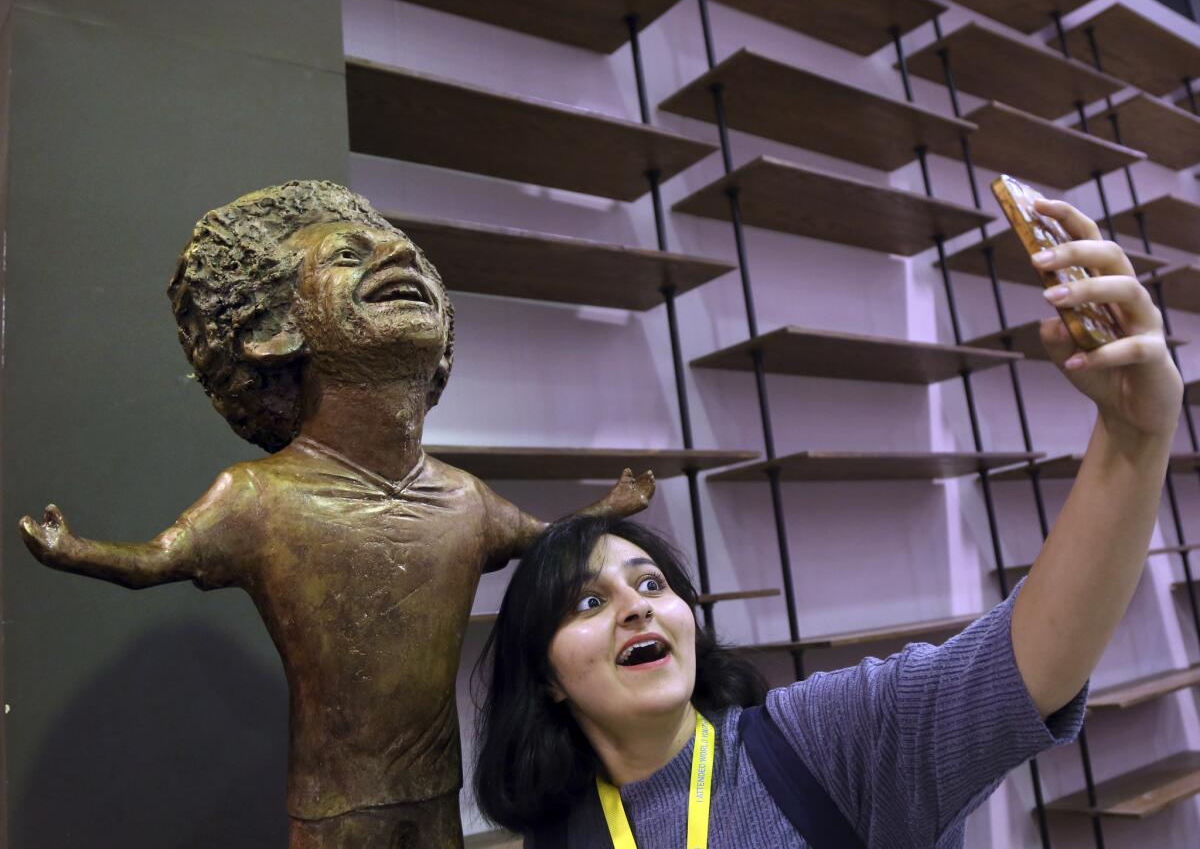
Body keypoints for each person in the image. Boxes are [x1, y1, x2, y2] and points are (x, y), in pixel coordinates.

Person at [473, 198, 1184, 848]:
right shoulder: (561, 837)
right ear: (547, 679)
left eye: (653, 582)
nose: (636, 607)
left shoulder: (822, 742)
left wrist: (1134, 437)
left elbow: (1025, 666)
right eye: (590, 602)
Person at [19, 180, 655, 848]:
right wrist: (78, 549)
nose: (397, 259)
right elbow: (156, 560)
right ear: (274, 331)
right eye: (350, 255)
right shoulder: (259, 497)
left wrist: (607, 508)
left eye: (409, 255)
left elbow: (545, 539)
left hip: (438, 784)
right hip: (334, 803)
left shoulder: (464, 497)